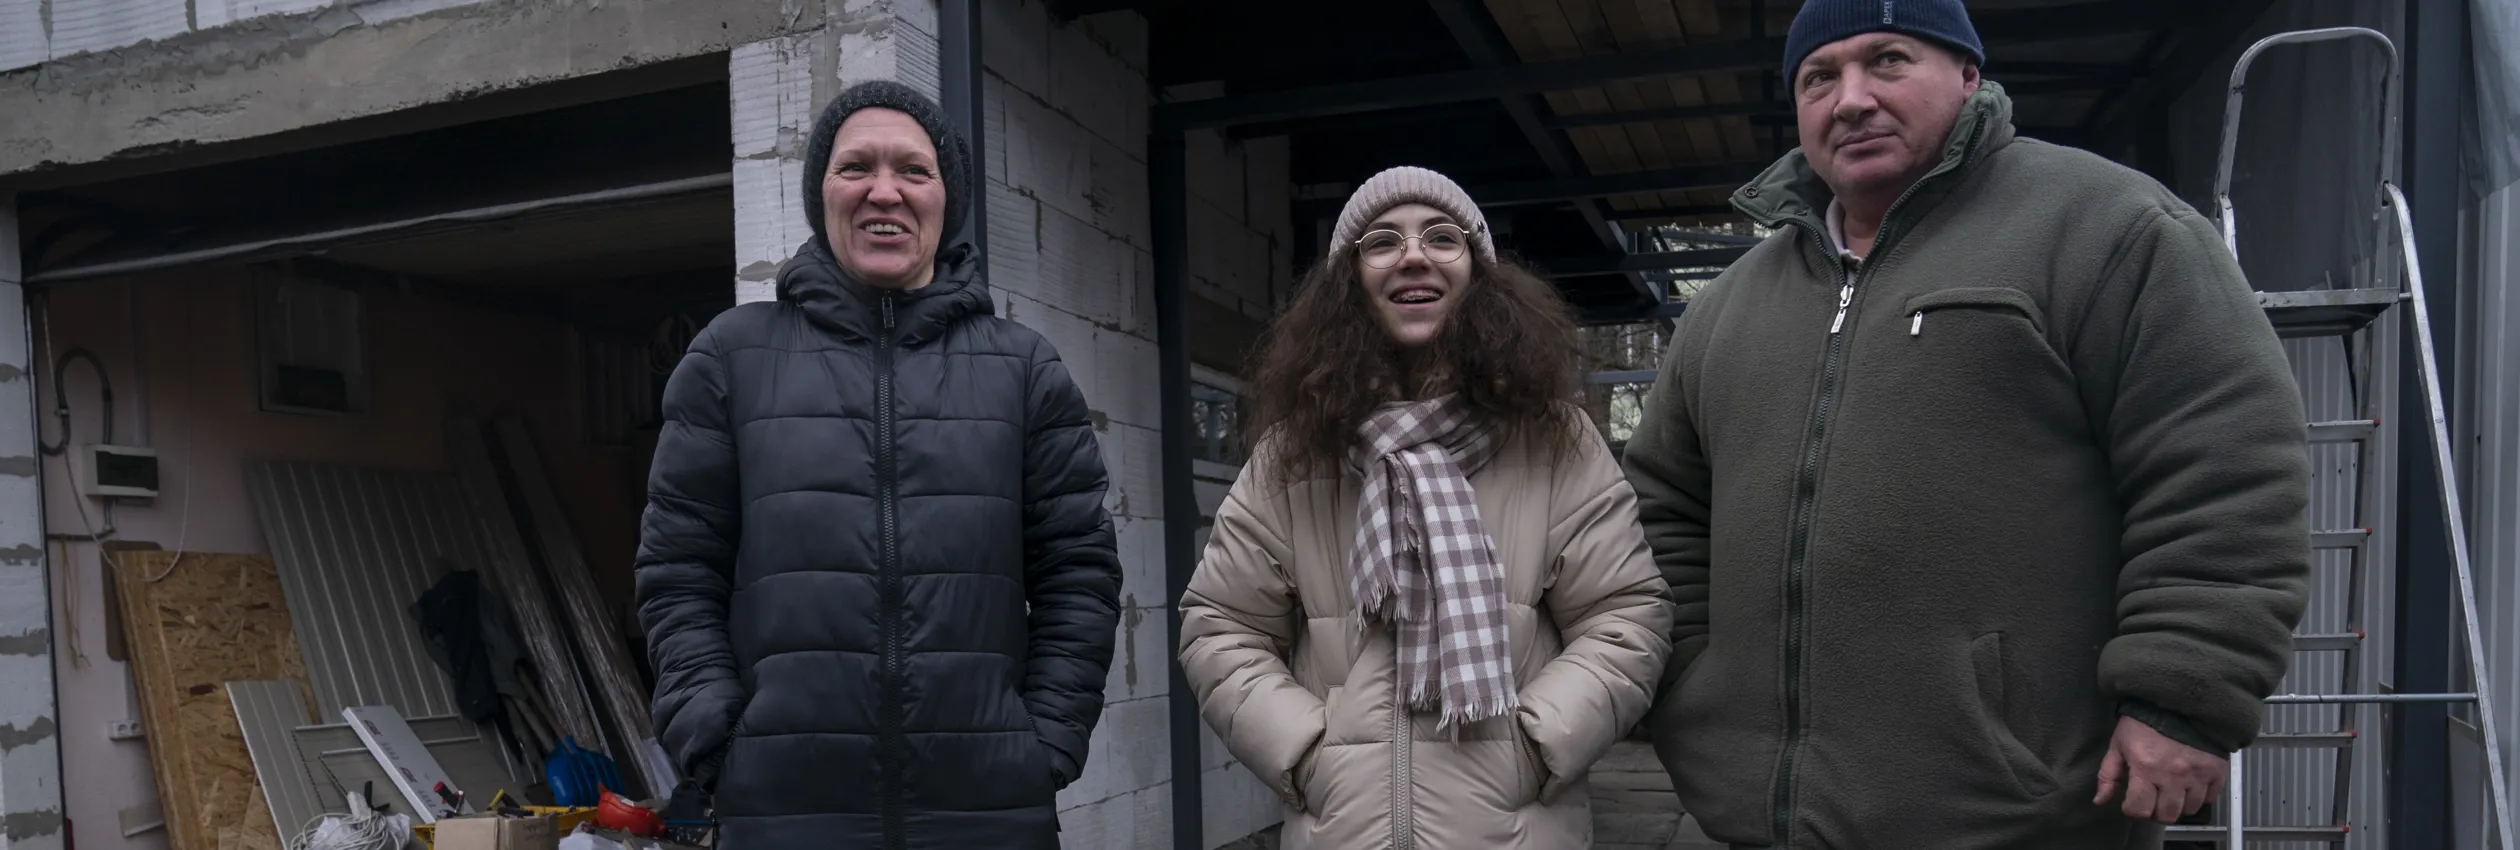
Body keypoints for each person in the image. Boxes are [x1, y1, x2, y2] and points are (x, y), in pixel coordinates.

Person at [1620, 1, 2316, 847]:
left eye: (1888, 60)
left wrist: (2184, 696)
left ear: (1969, 75)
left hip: (2017, 810)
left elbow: (2224, 468)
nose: (1851, 99)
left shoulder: (2109, 230)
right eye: (1819, 77)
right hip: (1755, 819)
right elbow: (1663, 511)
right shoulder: (1729, 306)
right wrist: (1695, 685)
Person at [634, 80, 1123, 849]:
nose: (883, 191)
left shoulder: (1022, 369)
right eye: (855, 166)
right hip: (781, 808)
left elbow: (1079, 573)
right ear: (821, 193)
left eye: (913, 170)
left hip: (987, 810)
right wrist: (717, 737)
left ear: (946, 198)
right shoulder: (732, 359)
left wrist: (1044, 742)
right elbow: (676, 572)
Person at [1177, 166, 1673, 848]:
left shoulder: (1554, 438)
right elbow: (1219, 627)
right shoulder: (1294, 454)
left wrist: (1533, 744)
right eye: (1382, 241)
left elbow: (1627, 618)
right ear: (1350, 281)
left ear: (1477, 273)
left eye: (1443, 237)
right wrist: (1306, 753)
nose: (1414, 255)